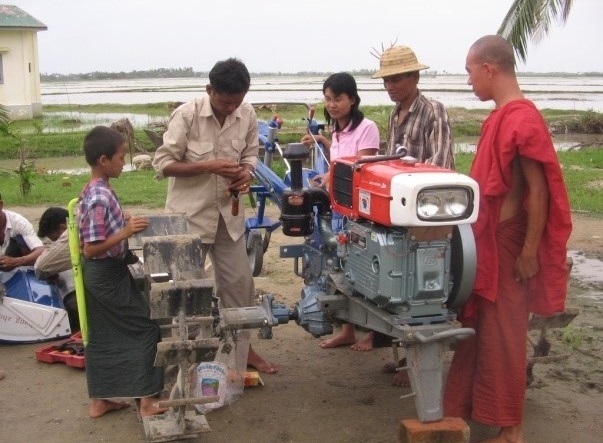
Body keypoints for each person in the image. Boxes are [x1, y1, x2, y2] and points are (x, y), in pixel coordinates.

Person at [443, 35, 572, 443]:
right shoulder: (501, 116)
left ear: (489, 69)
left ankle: (512, 429)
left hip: (511, 245)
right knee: (478, 332)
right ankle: (464, 410)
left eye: (468, 72)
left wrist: (531, 251)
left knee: (505, 336)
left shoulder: (521, 118)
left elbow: (540, 190)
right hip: (489, 243)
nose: (468, 82)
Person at [152, 58, 278, 374]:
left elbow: (250, 154)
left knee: (240, 285)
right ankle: (192, 360)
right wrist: (208, 167)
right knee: (189, 292)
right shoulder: (187, 114)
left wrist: (247, 173)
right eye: (224, 102)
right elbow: (162, 164)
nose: (229, 109)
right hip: (189, 217)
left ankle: (242, 352)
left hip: (229, 217)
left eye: (236, 102)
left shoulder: (246, 113)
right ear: (210, 90)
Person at [334, 45, 455, 369]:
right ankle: (401, 356)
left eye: (397, 79)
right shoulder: (395, 113)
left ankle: (414, 362)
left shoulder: (433, 111)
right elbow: (391, 161)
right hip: (396, 208)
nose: (390, 86)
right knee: (392, 279)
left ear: (415, 77)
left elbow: (440, 167)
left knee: (420, 286)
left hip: (426, 212)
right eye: (386, 80)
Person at [78, 125, 166, 418]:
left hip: (104, 273)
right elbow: (91, 248)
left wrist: (123, 218)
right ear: (103, 160)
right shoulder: (99, 197)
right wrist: (126, 231)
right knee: (146, 327)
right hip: (105, 274)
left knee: (102, 334)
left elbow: (100, 227)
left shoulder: (96, 189)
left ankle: (99, 400)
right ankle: (148, 400)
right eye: (119, 157)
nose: (123, 162)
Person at [300, 72, 380, 351]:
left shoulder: (367, 127)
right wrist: (327, 178)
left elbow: (363, 166)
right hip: (338, 207)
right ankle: (347, 330)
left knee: (364, 268)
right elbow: (338, 165)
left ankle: (371, 333)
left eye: (338, 98)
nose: (332, 104)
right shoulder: (336, 130)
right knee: (340, 265)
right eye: (328, 99)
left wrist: (333, 177)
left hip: (358, 210)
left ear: (353, 99)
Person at [35, 207, 79, 332]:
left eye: (55, 240)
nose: (55, 245)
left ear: (62, 229)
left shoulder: (71, 234)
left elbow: (41, 268)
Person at [0, 193, 45, 272]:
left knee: (23, 242)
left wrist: (16, 261)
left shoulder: (19, 222)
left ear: (0, 205)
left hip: (18, 269)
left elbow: (40, 251)